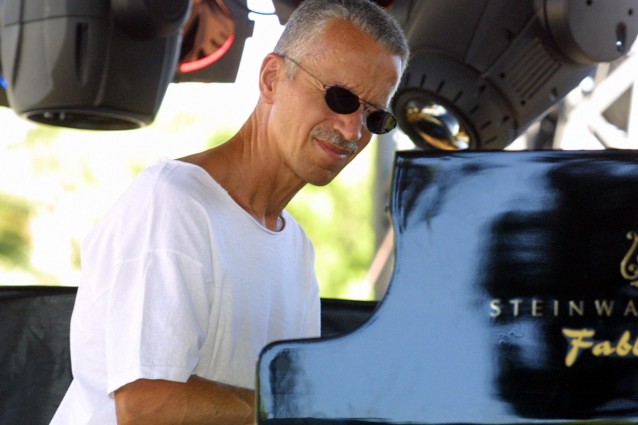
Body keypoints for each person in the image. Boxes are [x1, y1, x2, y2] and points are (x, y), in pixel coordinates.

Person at [50, 0, 409, 423]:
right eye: (340, 97)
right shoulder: (173, 203)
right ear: (271, 78)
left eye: (375, 117)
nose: (352, 129)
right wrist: (297, 407)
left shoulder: (296, 246)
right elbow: (147, 406)